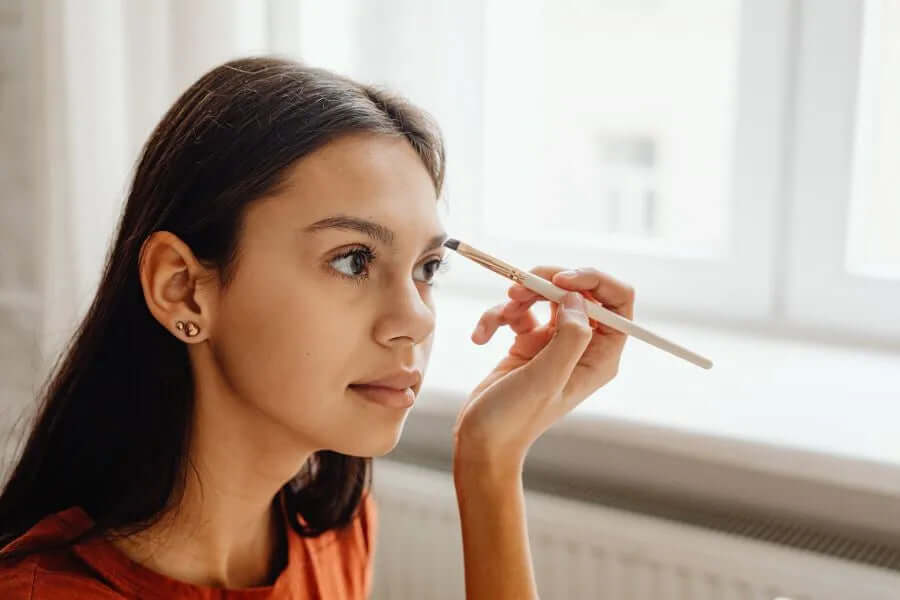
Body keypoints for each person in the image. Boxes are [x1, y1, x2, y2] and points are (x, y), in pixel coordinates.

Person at [0, 57, 634, 599]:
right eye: (354, 259)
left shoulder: (330, 529)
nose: (416, 317)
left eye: (427, 267)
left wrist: (490, 459)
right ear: (183, 288)